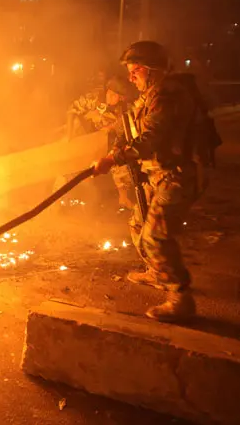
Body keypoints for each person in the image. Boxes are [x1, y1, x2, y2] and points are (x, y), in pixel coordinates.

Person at [92, 41, 212, 323]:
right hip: (157, 174)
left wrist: (114, 160)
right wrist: (114, 150)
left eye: (135, 71)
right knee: (137, 223)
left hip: (178, 175)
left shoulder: (168, 96)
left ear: (152, 70)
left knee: (156, 235)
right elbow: (131, 129)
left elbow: (149, 140)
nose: (131, 77)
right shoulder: (148, 96)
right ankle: (157, 272)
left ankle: (180, 297)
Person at [65, 74, 136, 209]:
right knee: (70, 166)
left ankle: (124, 198)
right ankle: (62, 197)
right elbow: (71, 109)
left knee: (120, 163)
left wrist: (112, 128)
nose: (111, 97)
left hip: (108, 141)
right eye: (110, 93)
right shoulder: (94, 99)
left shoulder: (126, 108)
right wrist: (70, 135)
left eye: (116, 96)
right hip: (85, 136)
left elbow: (130, 125)